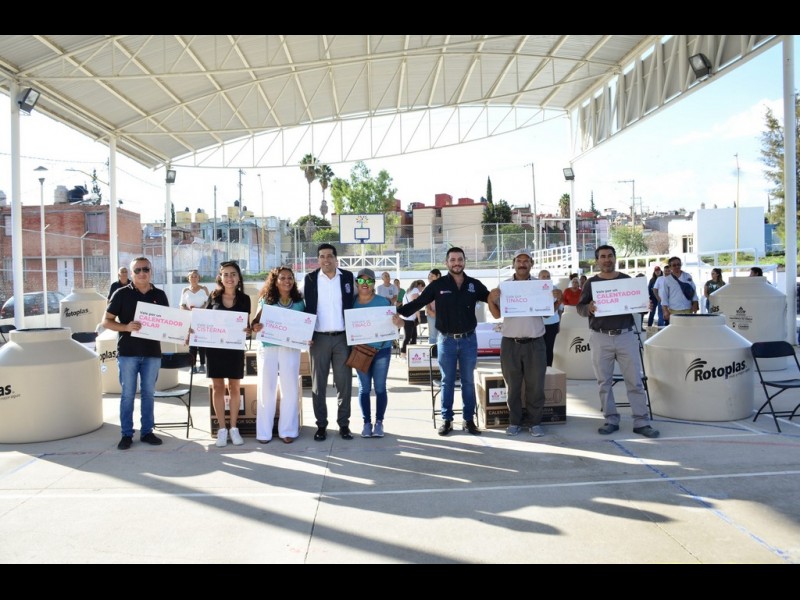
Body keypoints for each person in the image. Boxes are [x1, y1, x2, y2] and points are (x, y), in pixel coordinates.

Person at [398, 247, 491, 436]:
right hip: (446, 341)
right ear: (446, 263)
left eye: (460, 259)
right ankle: (447, 420)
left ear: (464, 261)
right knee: (447, 381)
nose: (457, 263)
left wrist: (507, 295)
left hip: (468, 340)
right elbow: (419, 302)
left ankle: (468, 420)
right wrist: (396, 311)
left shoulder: (474, 284)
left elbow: (492, 299)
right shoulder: (437, 285)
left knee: (467, 381)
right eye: (453, 260)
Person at [576, 244, 659, 438]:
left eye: (610, 256)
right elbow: (580, 308)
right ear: (597, 260)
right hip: (600, 337)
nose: (607, 260)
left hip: (625, 336)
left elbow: (639, 307)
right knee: (604, 382)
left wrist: (645, 305)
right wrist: (589, 308)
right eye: (603, 256)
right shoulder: (591, 283)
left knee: (634, 381)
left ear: (615, 258)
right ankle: (611, 419)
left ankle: (641, 421)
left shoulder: (626, 280)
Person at [103, 257, 168, 450]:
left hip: (152, 353)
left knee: (148, 394)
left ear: (151, 271)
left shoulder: (160, 295)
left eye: (145, 269)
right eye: (137, 270)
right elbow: (106, 321)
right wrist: (126, 327)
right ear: (131, 274)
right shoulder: (121, 294)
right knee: (128, 395)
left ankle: (147, 432)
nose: (142, 273)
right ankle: (126, 434)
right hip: (128, 353)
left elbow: (168, 322)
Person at [487, 250, 548, 437]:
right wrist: (490, 299)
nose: (522, 264)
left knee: (536, 385)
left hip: (535, 342)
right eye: (519, 261)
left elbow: (547, 314)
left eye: (526, 261)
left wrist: (557, 299)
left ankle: (535, 423)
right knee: (513, 386)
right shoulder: (505, 286)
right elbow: (496, 315)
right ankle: (514, 422)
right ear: (513, 263)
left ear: (531, 264)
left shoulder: (540, 286)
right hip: (510, 343)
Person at [302, 243, 356, 442]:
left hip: (343, 338)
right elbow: (296, 302)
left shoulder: (348, 277)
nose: (326, 260)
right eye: (322, 256)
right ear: (318, 259)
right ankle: (321, 425)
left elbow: (360, 299)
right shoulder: (309, 279)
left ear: (336, 259)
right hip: (318, 339)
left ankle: (344, 424)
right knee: (319, 385)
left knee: (344, 384)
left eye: (330, 256)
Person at [251, 266, 304, 444]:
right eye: (282, 278)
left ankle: (287, 430)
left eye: (290, 278)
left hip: (290, 348)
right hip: (268, 347)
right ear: (275, 281)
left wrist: (307, 337)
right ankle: (264, 433)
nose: (287, 281)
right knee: (266, 388)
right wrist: (256, 326)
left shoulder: (299, 302)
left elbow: (305, 326)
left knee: (290, 389)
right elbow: (255, 323)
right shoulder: (266, 300)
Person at [205, 261, 252, 448]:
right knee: (217, 387)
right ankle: (222, 429)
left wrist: (248, 330)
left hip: (234, 348)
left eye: (233, 274)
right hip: (215, 349)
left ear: (239, 277)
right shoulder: (213, 297)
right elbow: (204, 321)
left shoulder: (245, 299)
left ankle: (233, 428)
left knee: (234, 387)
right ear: (220, 277)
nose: (229, 278)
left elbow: (246, 325)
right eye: (225, 274)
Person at [351, 268, 396, 438]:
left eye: (369, 281)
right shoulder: (351, 303)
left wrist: (398, 323)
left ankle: (379, 422)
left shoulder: (383, 302)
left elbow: (395, 324)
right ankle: (366, 423)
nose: (365, 284)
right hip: (360, 351)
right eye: (361, 281)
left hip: (381, 350)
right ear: (357, 283)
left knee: (380, 388)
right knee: (364, 389)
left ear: (373, 284)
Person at [180, 269, 209, 373]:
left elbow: (208, 303)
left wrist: (199, 310)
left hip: (202, 319)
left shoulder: (204, 289)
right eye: (191, 276)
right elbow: (182, 305)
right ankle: (192, 366)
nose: (193, 278)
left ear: (199, 278)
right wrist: (189, 311)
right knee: (192, 344)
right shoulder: (185, 290)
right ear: (188, 278)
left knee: (201, 343)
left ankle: (202, 365)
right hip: (190, 320)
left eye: (195, 276)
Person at [538, 269, 563, 367]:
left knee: (550, 348)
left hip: (553, 323)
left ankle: (549, 369)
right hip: (538, 324)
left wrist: (560, 323)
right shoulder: (535, 290)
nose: (546, 278)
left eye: (548, 276)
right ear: (539, 278)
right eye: (543, 276)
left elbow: (560, 309)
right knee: (539, 349)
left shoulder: (555, 289)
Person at [661, 256, 699, 321]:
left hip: (688, 308)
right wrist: (665, 310)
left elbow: (694, 291)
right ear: (670, 267)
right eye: (674, 265)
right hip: (674, 310)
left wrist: (695, 303)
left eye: (678, 264)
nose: (677, 266)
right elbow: (664, 296)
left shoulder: (687, 276)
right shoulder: (667, 279)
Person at [399, 280, 425, 357]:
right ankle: (404, 353)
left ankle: (407, 353)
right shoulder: (415, 290)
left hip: (407, 317)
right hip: (410, 318)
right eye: (422, 288)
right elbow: (416, 305)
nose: (422, 290)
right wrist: (419, 317)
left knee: (411, 336)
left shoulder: (408, 291)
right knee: (409, 337)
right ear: (420, 285)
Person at [425, 268, 442, 342]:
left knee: (442, 335)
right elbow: (426, 301)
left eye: (432, 276)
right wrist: (429, 310)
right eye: (429, 276)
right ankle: (432, 349)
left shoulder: (443, 287)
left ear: (438, 276)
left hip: (442, 313)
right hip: (431, 314)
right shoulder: (427, 288)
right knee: (432, 336)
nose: (430, 277)